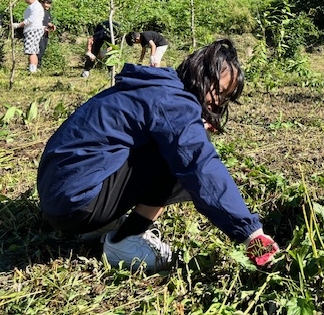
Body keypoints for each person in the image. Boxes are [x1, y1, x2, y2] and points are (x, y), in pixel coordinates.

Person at [37, 39, 279, 272]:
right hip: (78, 203)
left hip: (60, 196)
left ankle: (101, 225)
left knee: (176, 144)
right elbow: (200, 165)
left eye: (225, 97)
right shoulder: (172, 101)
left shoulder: (156, 87)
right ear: (202, 75)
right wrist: (251, 234)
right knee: (181, 154)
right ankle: (125, 239)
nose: (217, 103)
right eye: (218, 91)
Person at [11, 0, 44, 73]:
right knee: (33, 49)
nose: (26, 1)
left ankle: (32, 70)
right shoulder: (31, 6)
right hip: (30, 29)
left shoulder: (36, 6)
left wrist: (18, 25)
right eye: (25, 0)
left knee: (31, 50)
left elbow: (31, 19)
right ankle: (33, 69)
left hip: (34, 29)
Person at [37, 0, 57, 68]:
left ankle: (39, 65)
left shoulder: (47, 12)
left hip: (45, 34)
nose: (49, 5)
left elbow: (47, 21)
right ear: (41, 3)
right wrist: (42, 28)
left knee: (43, 50)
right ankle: (35, 66)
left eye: (50, 3)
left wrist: (51, 25)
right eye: (47, 3)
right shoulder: (37, 11)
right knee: (39, 49)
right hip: (38, 33)